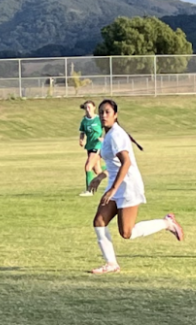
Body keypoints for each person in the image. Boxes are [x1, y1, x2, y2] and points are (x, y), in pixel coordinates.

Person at [91, 99, 184, 275]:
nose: (103, 115)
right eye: (101, 112)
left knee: (127, 232)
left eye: (107, 112)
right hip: (116, 184)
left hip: (128, 186)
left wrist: (112, 189)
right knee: (99, 221)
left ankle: (166, 223)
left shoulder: (117, 135)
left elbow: (126, 163)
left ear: (115, 115)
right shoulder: (109, 135)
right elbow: (114, 165)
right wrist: (100, 177)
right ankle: (111, 263)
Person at [78, 100, 105, 197]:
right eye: (86, 107)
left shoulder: (99, 119)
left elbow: (108, 128)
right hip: (89, 146)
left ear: (94, 108)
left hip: (97, 146)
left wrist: (104, 138)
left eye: (89, 107)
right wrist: (81, 140)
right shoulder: (84, 120)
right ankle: (114, 171)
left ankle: (89, 190)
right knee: (98, 170)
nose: (88, 109)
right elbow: (82, 132)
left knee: (88, 167)